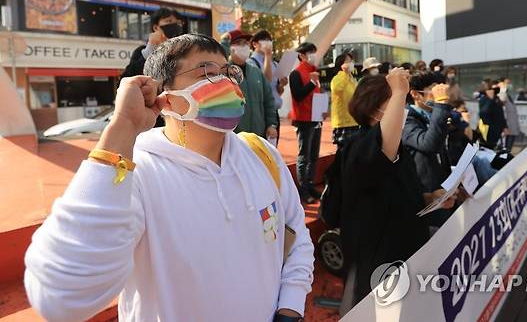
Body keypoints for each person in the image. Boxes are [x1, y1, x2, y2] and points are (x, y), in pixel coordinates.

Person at [24, 34, 314, 322]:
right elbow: (61, 297)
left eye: (228, 73)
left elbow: (296, 235)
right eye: (208, 74)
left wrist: (290, 306)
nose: (226, 84)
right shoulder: (131, 174)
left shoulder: (261, 154)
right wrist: (122, 128)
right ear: (165, 97)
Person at [339, 70, 457, 312]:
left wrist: (431, 199)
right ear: (374, 111)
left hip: (409, 254)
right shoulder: (359, 148)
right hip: (379, 267)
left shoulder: (400, 151)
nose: (403, 108)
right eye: (395, 102)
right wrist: (400, 89)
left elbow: (404, 197)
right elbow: (382, 151)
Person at [402, 72, 452, 193]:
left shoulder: (434, 115)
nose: (438, 95)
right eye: (434, 89)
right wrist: (440, 105)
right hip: (424, 192)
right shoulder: (405, 119)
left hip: (442, 189)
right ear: (415, 94)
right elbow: (429, 144)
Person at [227, 29, 278, 140]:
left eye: (246, 43)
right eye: (239, 43)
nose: (244, 47)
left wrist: (271, 124)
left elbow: (268, 100)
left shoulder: (256, 72)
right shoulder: (223, 72)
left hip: (258, 135)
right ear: (231, 47)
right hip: (234, 138)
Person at [289, 42, 322, 204]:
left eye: (314, 52)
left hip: (316, 119)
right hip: (303, 120)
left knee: (314, 156)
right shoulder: (296, 73)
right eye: (310, 52)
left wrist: (323, 109)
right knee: (304, 156)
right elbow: (298, 96)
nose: (313, 55)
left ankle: (310, 184)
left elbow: (317, 96)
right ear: (301, 55)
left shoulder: (314, 72)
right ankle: (303, 190)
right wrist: (311, 83)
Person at [121, 7, 185, 79]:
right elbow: (128, 80)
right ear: (156, 27)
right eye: (169, 21)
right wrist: (150, 50)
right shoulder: (141, 52)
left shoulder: (186, 50)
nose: (175, 25)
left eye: (178, 22)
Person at [249, 30, 288, 143]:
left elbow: (277, 92)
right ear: (255, 44)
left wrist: (281, 85)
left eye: (269, 40)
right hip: (261, 112)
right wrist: (267, 55)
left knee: (273, 149)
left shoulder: (274, 64)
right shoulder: (251, 63)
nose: (268, 42)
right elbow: (266, 81)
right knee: (261, 148)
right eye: (264, 40)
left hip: (274, 112)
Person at [330, 52, 359, 149]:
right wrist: (344, 73)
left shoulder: (352, 79)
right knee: (343, 152)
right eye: (348, 61)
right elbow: (338, 89)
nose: (351, 63)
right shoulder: (337, 78)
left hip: (354, 121)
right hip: (343, 122)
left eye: (351, 61)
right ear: (341, 64)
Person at [478, 79, 508, 148]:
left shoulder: (497, 99)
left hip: (498, 131)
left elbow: (501, 114)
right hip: (488, 132)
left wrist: (505, 126)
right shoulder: (484, 99)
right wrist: (490, 99)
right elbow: (483, 113)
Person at [497, 77, 520, 149]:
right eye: (507, 83)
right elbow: (501, 104)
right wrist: (502, 90)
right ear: (500, 84)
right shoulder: (501, 94)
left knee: (509, 149)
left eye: (509, 83)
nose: (509, 85)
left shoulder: (508, 95)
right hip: (507, 129)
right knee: (505, 149)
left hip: (512, 127)